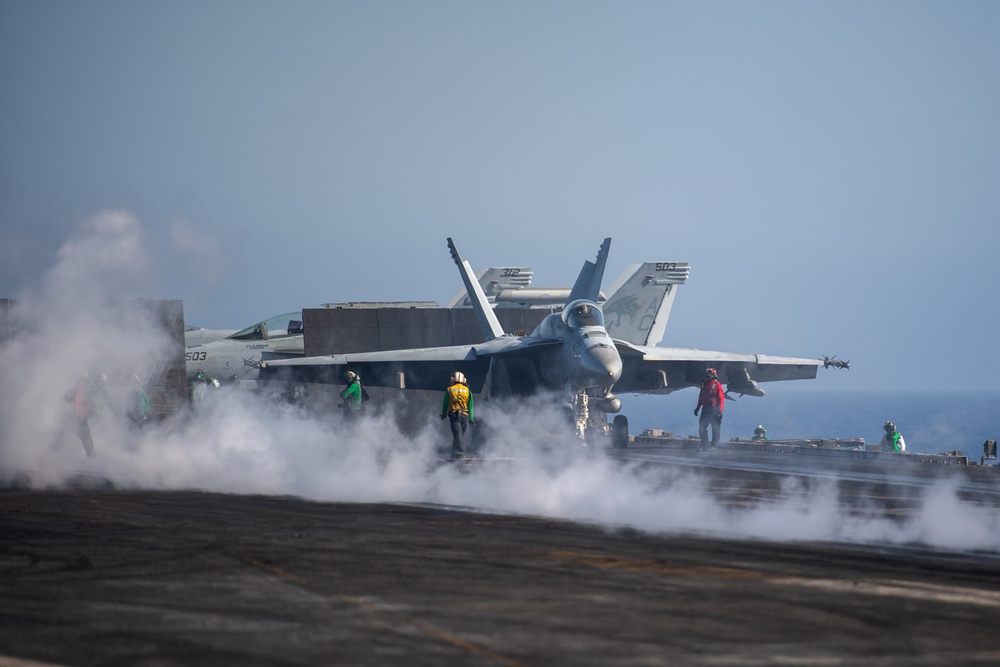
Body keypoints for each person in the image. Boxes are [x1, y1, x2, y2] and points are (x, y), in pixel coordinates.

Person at [441, 371, 474, 459]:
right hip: (464, 416)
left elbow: (445, 403)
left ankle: (459, 453)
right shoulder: (467, 390)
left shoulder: (450, 389)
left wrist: (443, 414)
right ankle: (454, 452)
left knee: (457, 434)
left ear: (453, 380)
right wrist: (471, 418)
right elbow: (471, 406)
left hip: (454, 416)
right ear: (464, 380)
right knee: (459, 435)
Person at [693, 368, 724, 451]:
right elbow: (701, 397)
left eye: (710, 373)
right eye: (708, 373)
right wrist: (697, 408)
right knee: (702, 427)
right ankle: (705, 446)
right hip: (705, 409)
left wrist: (720, 410)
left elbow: (721, 399)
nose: (708, 375)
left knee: (715, 428)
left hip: (715, 409)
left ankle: (714, 446)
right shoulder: (704, 384)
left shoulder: (717, 385)